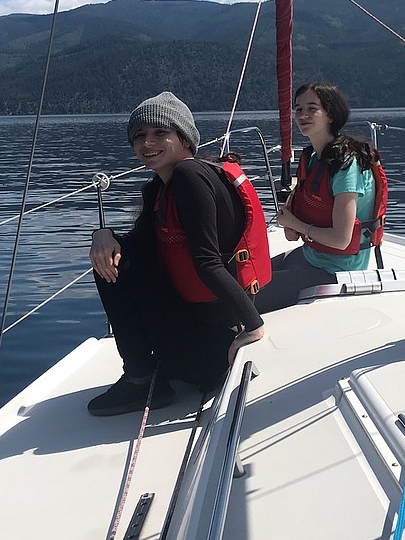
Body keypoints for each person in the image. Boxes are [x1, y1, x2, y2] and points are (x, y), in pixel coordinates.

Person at [86, 91, 269, 416]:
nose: (147, 142)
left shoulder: (189, 177)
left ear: (185, 139)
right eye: (139, 136)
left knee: (114, 269)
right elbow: (137, 246)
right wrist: (103, 235)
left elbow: (208, 262)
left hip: (215, 353)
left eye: (160, 133)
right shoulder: (162, 187)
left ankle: (141, 381)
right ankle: (145, 374)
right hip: (201, 332)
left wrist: (253, 329)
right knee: (114, 258)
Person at [254, 82, 384, 313]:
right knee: (242, 278)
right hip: (310, 255)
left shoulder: (346, 165)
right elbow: (290, 227)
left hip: (335, 270)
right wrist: (293, 225)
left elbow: (341, 239)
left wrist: (296, 225)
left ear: (330, 114)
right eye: (298, 109)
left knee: (245, 297)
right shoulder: (313, 158)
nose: (303, 115)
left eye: (312, 108)